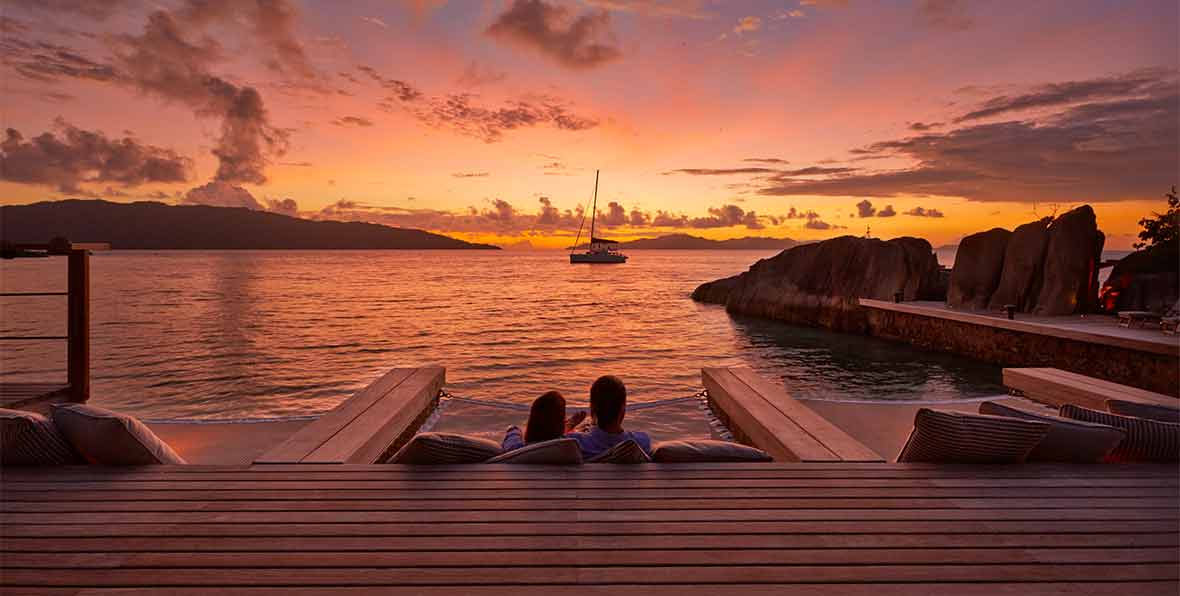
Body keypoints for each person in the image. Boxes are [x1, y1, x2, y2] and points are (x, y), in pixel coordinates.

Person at [568, 375, 651, 459]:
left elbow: (558, 443)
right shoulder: (642, 442)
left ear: (593, 408)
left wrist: (569, 425)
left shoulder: (577, 443)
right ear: (622, 408)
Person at [501, 391, 587, 452]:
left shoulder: (520, 449)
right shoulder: (570, 444)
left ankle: (568, 425)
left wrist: (513, 429)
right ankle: (568, 425)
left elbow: (512, 433)